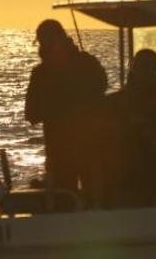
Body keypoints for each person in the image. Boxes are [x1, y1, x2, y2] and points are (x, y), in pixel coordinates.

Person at [25, 19, 108, 206]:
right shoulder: (88, 63)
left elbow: (32, 114)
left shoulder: (42, 73)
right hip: (82, 149)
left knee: (68, 202)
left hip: (70, 151)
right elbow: (31, 114)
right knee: (90, 201)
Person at [105, 49, 156, 207]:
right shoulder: (115, 103)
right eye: (143, 67)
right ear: (134, 69)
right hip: (128, 183)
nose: (147, 72)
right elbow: (107, 142)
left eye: (151, 67)